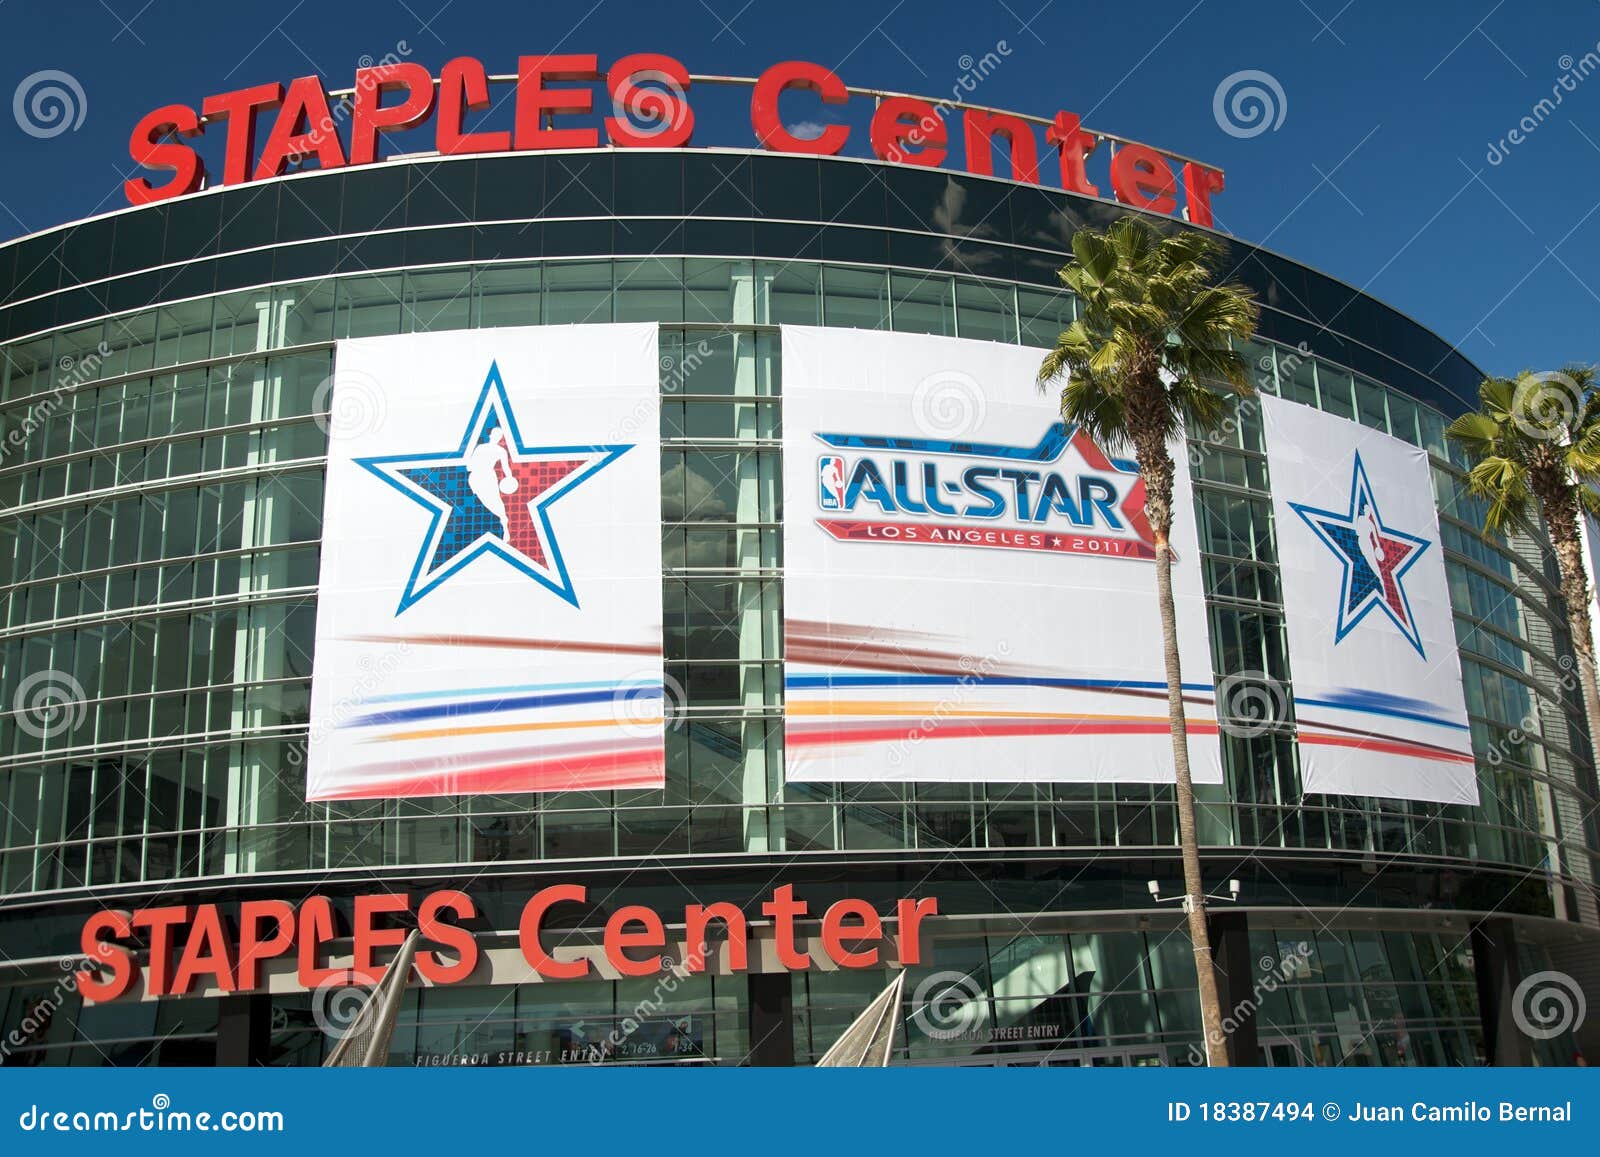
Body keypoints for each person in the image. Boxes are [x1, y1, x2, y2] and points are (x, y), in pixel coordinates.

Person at [467, 427, 517, 538]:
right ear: (490, 435)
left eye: (499, 435)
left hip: (488, 477)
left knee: (495, 501)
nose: (497, 437)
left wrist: (509, 478)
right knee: (482, 501)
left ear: (501, 438)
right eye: (495, 434)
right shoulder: (480, 448)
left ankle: (504, 525)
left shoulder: (501, 451)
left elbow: (506, 468)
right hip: (475, 477)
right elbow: (470, 464)